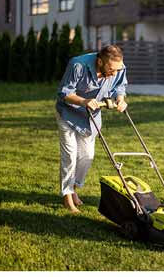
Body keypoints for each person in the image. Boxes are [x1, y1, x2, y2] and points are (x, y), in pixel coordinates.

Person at [55, 45, 128, 213]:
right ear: (100, 61)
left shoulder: (118, 67)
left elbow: (120, 86)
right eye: (111, 69)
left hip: (91, 119)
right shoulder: (78, 65)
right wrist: (83, 101)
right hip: (68, 115)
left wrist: (120, 100)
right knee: (70, 157)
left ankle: (73, 188)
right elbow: (64, 93)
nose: (114, 73)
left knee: (87, 156)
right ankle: (67, 196)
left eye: (117, 69)